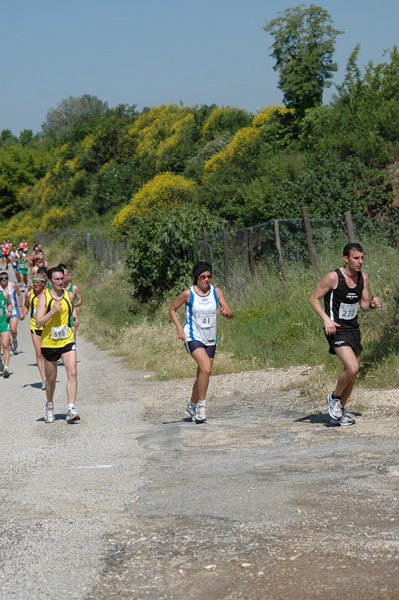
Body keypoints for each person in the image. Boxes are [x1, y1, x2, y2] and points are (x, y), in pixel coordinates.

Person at [309, 243, 381, 426]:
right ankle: (334, 397)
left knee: (352, 375)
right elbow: (313, 298)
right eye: (356, 258)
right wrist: (326, 319)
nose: (360, 262)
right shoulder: (334, 277)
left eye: (362, 258)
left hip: (353, 328)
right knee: (352, 368)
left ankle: (339, 413)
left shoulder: (363, 278)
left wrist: (371, 305)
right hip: (335, 328)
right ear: (346, 258)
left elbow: (363, 306)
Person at [169, 261, 233, 422]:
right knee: (206, 368)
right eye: (203, 276)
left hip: (210, 338)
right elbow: (172, 309)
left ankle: (192, 404)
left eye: (209, 276)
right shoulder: (188, 294)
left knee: (202, 374)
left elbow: (231, 313)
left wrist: (226, 313)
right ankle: (201, 407)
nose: (206, 279)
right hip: (193, 336)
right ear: (196, 278)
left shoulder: (216, 292)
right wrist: (179, 328)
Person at [35, 266, 79, 424]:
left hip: (67, 340)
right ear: (49, 281)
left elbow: (71, 313)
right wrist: (52, 311)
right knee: (51, 378)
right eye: (57, 279)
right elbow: (39, 323)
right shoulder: (44, 298)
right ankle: (49, 406)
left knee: (72, 372)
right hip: (49, 342)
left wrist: (74, 321)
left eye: (62, 278)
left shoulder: (69, 295)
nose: (61, 281)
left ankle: (71, 409)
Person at [20, 274, 47, 390]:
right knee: (39, 352)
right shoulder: (29, 294)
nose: (35, 284)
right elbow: (26, 306)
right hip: (35, 326)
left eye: (38, 282)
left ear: (43, 283)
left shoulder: (48, 295)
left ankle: (50, 373)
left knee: (49, 353)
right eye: (34, 282)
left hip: (47, 327)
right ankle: (44, 379)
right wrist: (23, 314)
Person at [0, 271, 23, 354]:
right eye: (1, 278)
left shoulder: (12, 285)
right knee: (7, 330)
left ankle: (14, 340)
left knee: (13, 330)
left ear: (8, 278)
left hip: (13, 311)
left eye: (5, 278)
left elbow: (20, 294)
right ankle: (8, 347)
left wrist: (20, 306)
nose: (3, 280)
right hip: (3, 313)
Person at [0, 280, 12, 377]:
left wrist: (10, 311)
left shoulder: (4, 294)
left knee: (5, 344)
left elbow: (9, 304)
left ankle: (6, 368)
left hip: (3, 322)